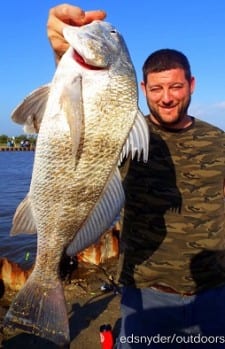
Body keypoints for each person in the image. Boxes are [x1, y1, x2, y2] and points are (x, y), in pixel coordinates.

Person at [47, 5, 225, 348]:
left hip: (214, 293)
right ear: (142, 88)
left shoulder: (219, 140)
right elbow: (80, 120)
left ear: (191, 84)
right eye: (157, 89)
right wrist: (62, 54)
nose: (167, 97)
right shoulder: (123, 133)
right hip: (146, 292)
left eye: (176, 86)